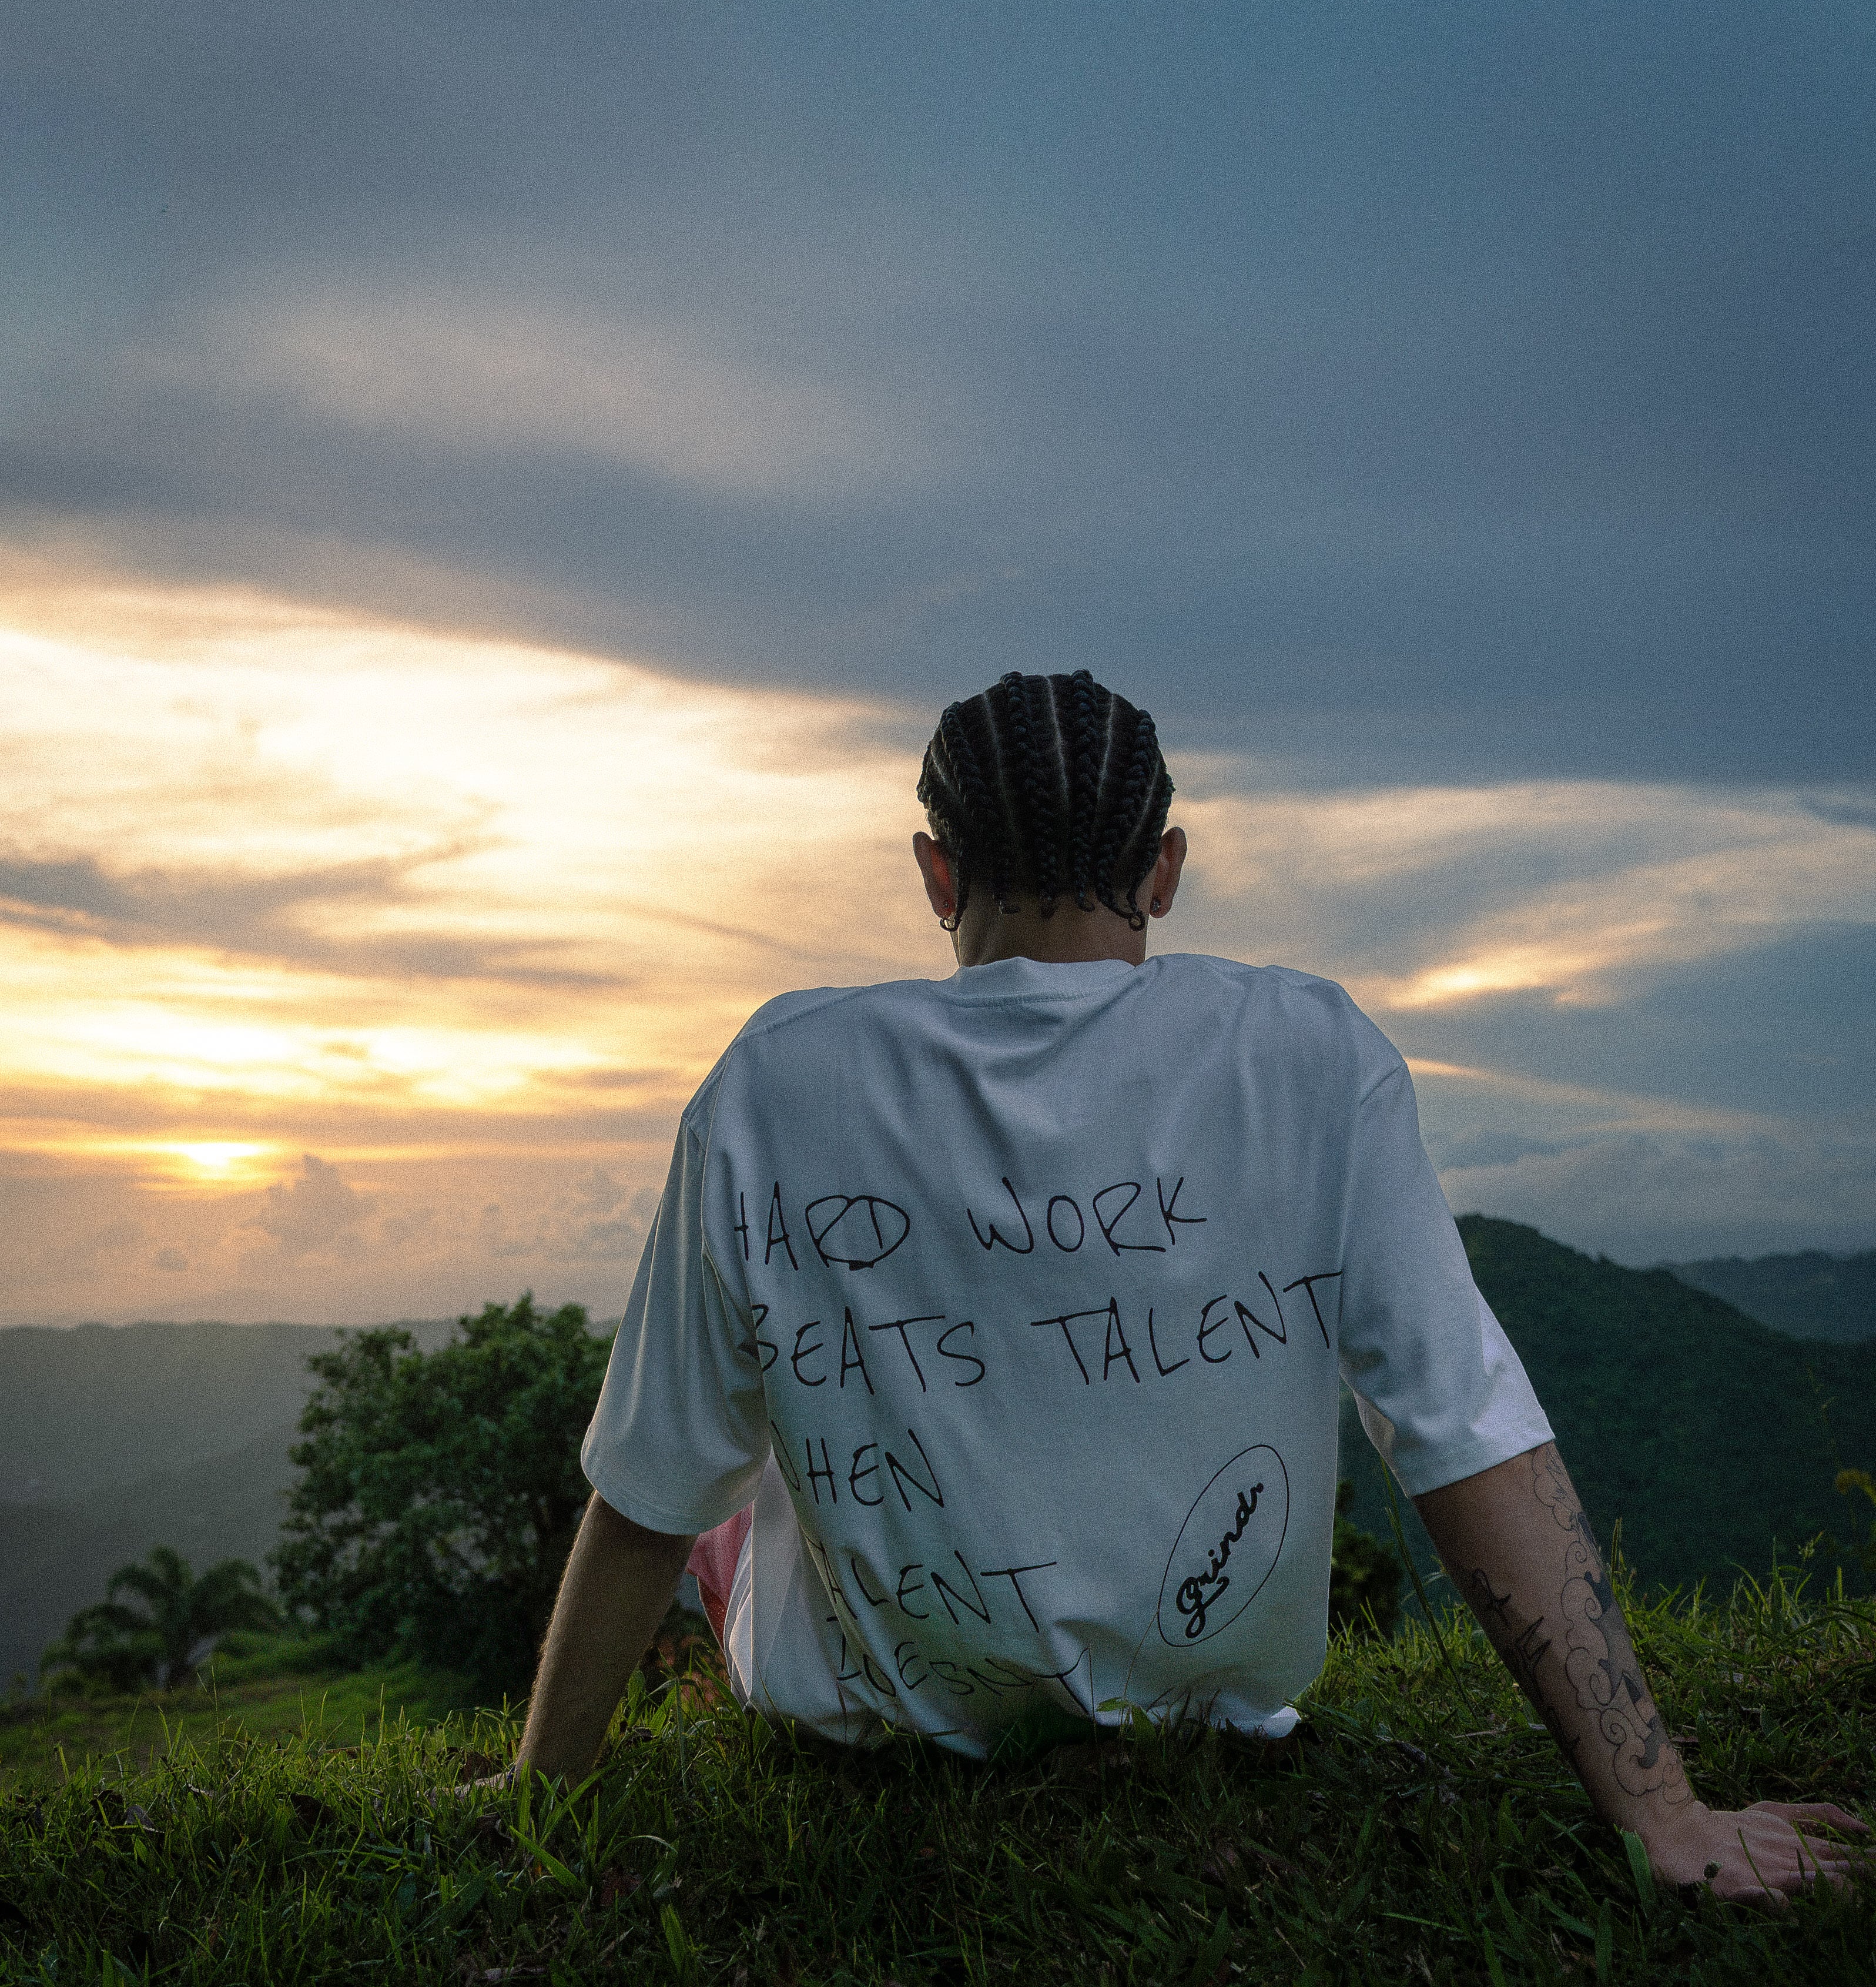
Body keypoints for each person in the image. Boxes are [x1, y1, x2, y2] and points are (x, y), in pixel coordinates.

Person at [515, 670, 1861, 1906]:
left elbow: (649, 1486)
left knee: (735, 1490)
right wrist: (1663, 1811)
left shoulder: (777, 1076)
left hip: (879, 1730)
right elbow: (1467, 1435)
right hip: (1201, 1716)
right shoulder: (1312, 1055)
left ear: (937, 872)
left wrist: (538, 1793)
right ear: (1164, 868)